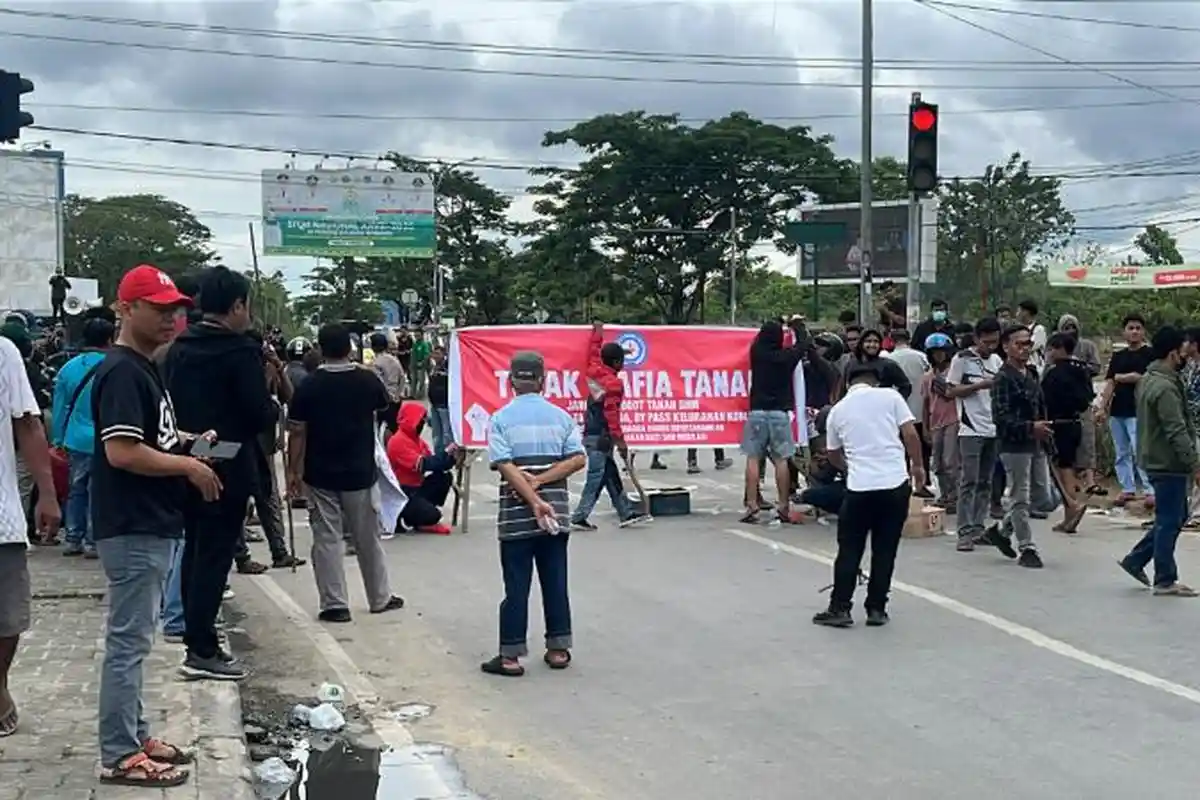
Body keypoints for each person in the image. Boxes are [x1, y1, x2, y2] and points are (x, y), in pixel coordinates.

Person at [91, 265, 220, 786]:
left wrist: (185, 441)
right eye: (160, 309)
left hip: (150, 520)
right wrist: (188, 465)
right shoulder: (123, 371)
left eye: (176, 309)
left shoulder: (144, 367)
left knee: (137, 641)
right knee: (128, 643)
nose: (172, 319)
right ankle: (120, 752)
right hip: (134, 522)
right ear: (126, 309)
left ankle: (135, 733)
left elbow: (149, 437)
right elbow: (122, 451)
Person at [163, 266, 279, 681]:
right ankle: (202, 648)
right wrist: (272, 403)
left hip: (187, 456)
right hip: (227, 461)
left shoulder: (178, 349)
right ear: (237, 306)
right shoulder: (239, 352)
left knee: (195, 550)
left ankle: (195, 636)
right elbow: (257, 414)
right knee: (214, 557)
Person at [286, 324, 404, 623]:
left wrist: (293, 471)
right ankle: (379, 597)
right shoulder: (366, 380)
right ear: (349, 348)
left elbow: (297, 432)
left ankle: (334, 604)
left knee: (326, 538)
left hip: (319, 473)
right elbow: (385, 405)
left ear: (320, 349)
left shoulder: (309, 385)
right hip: (360, 471)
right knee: (367, 537)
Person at [480, 351, 587, 677]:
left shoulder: (500, 419)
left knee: (516, 585)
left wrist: (531, 493)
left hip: (516, 517)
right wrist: (542, 484)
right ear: (543, 380)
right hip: (555, 515)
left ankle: (510, 656)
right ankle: (558, 648)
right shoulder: (561, 418)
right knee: (555, 581)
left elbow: (505, 465)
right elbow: (577, 458)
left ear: (511, 381)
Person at [812, 363, 925, 628]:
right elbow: (910, 434)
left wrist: (849, 468)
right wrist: (918, 466)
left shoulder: (838, 410)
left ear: (848, 383)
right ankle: (876, 608)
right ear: (876, 381)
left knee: (850, 549)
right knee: (885, 549)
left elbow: (833, 454)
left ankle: (840, 607)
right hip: (895, 484)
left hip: (860, 488)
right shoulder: (891, 397)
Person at [0, 334, 61, 739]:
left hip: (0, 516)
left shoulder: (3, 352)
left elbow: (27, 423)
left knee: (8, 616)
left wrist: (48, 494)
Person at [1118, 326, 1198, 597]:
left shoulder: (1150, 378)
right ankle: (1165, 578)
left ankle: (1136, 560)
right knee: (1169, 520)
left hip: (1155, 458)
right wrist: (1194, 463)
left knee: (1174, 516)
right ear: (1173, 353)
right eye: (1183, 351)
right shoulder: (1164, 387)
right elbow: (1176, 430)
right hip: (1167, 461)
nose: (1186, 356)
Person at [572, 322, 650, 530]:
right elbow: (611, 415)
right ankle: (579, 516)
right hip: (602, 437)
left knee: (610, 475)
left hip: (592, 434)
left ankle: (625, 513)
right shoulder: (614, 384)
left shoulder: (593, 371)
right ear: (616, 362)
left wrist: (597, 333)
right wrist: (621, 442)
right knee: (596, 478)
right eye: (622, 361)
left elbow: (593, 352)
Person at [984, 325, 1050, 568]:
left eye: (1027, 344)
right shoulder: (1003, 378)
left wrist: (1043, 432)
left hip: (1036, 441)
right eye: (1019, 344)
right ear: (1006, 347)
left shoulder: (1031, 373)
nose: (1024, 349)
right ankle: (1027, 547)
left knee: (1044, 497)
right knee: (1020, 496)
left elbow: (1040, 406)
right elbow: (1001, 417)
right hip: (1013, 445)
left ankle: (1002, 531)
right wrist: (1030, 427)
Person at [49, 317, 113, 557]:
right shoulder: (116, 366)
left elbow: (60, 407)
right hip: (107, 439)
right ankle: (93, 541)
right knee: (100, 491)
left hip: (76, 439)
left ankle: (73, 537)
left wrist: (58, 439)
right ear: (110, 339)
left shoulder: (68, 368)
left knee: (76, 489)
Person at [741, 319, 805, 524]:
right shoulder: (787, 357)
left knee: (753, 458)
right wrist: (797, 326)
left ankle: (752, 505)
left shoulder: (756, 353)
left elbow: (756, 340)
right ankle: (784, 505)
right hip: (779, 413)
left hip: (757, 412)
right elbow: (803, 345)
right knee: (781, 460)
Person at [947, 316, 1003, 551]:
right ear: (977, 339)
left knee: (985, 481)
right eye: (986, 342)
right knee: (969, 480)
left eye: (994, 342)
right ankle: (964, 531)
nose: (990, 347)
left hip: (993, 428)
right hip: (970, 428)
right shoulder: (962, 359)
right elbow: (950, 390)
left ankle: (979, 527)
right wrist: (978, 386)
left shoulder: (997, 360)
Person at [1098, 313, 1156, 508]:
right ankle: (1127, 488)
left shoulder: (1150, 354)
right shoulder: (1118, 356)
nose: (1134, 332)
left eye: (1138, 328)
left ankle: (1150, 489)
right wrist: (1102, 407)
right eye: (1131, 328)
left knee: (1140, 450)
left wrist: (1127, 377)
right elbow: (1110, 382)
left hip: (1139, 410)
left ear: (1143, 331)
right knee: (1121, 451)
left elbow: (1148, 377)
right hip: (1118, 409)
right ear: (1124, 332)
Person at [1041, 332, 1094, 534]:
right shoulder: (1081, 370)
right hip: (1076, 423)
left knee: (1062, 469)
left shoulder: (1054, 374)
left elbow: (1044, 399)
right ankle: (1068, 516)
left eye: (1051, 349)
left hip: (1058, 424)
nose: (1049, 353)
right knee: (1068, 465)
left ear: (1060, 349)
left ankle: (1072, 508)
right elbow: (1087, 398)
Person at [387, 400, 457, 535]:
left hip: (417, 487)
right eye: (420, 420)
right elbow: (424, 464)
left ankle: (424, 510)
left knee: (443, 477)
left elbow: (434, 462)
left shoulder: (417, 441)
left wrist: (450, 457)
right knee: (434, 516)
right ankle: (415, 516)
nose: (422, 424)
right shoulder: (398, 442)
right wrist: (446, 454)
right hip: (403, 492)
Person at [884, 328, 931, 494]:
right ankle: (922, 484)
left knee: (901, 450)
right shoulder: (921, 357)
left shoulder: (888, 359)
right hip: (919, 409)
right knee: (921, 450)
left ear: (892, 340)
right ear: (909, 339)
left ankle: (904, 483)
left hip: (897, 412)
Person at [920, 332, 958, 513]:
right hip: (935, 422)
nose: (938, 356)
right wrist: (925, 427)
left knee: (951, 461)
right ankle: (944, 494)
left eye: (941, 352)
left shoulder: (954, 373)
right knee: (937, 463)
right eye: (934, 353)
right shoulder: (927, 377)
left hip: (953, 420)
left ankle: (955, 496)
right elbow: (925, 403)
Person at [842, 328, 912, 398]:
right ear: (861, 343)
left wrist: (892, 402)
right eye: (868, 341)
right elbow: (843, 391)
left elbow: (906, 386)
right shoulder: (850, 365)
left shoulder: (888, 365)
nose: (872, 344)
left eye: (876, 341)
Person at [370, 333, 405, 433]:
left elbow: (378, 382)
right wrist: (398, 394)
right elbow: (402, 377)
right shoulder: (395, 359)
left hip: (384, 400)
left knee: (381, 429)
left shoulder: (376, 363)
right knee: (394, 428)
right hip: (396, 398)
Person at [426, 344, 452, 452]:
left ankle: (448, 454)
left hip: (444, 405)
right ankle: (438, 454)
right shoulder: (433, 367)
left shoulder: (448, 367)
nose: (435, 356)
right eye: (434, 353)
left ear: (444, 354)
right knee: (436, 433)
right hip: (434, 405)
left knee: (446, 433)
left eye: (438, 353)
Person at [1016, 299, 1047, 372]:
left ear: (1026, 312)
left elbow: (1029, 347)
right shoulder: (1018, 329)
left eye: (1019, 311)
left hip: (1035, 368)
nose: (1017, 314)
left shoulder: (1039, 329)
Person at [410, 330, 432, 399]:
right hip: (413, 365)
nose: (416, 337)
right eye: (415, 335)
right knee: (413, 380)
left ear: (422, 335)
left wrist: (422, 362)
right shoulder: (415, 344)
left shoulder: (424, 344)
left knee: (421, 381)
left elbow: (427, 355)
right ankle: (412, 394)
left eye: (418, 335)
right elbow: (413, 355)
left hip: (421, 366)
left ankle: (421, 395)